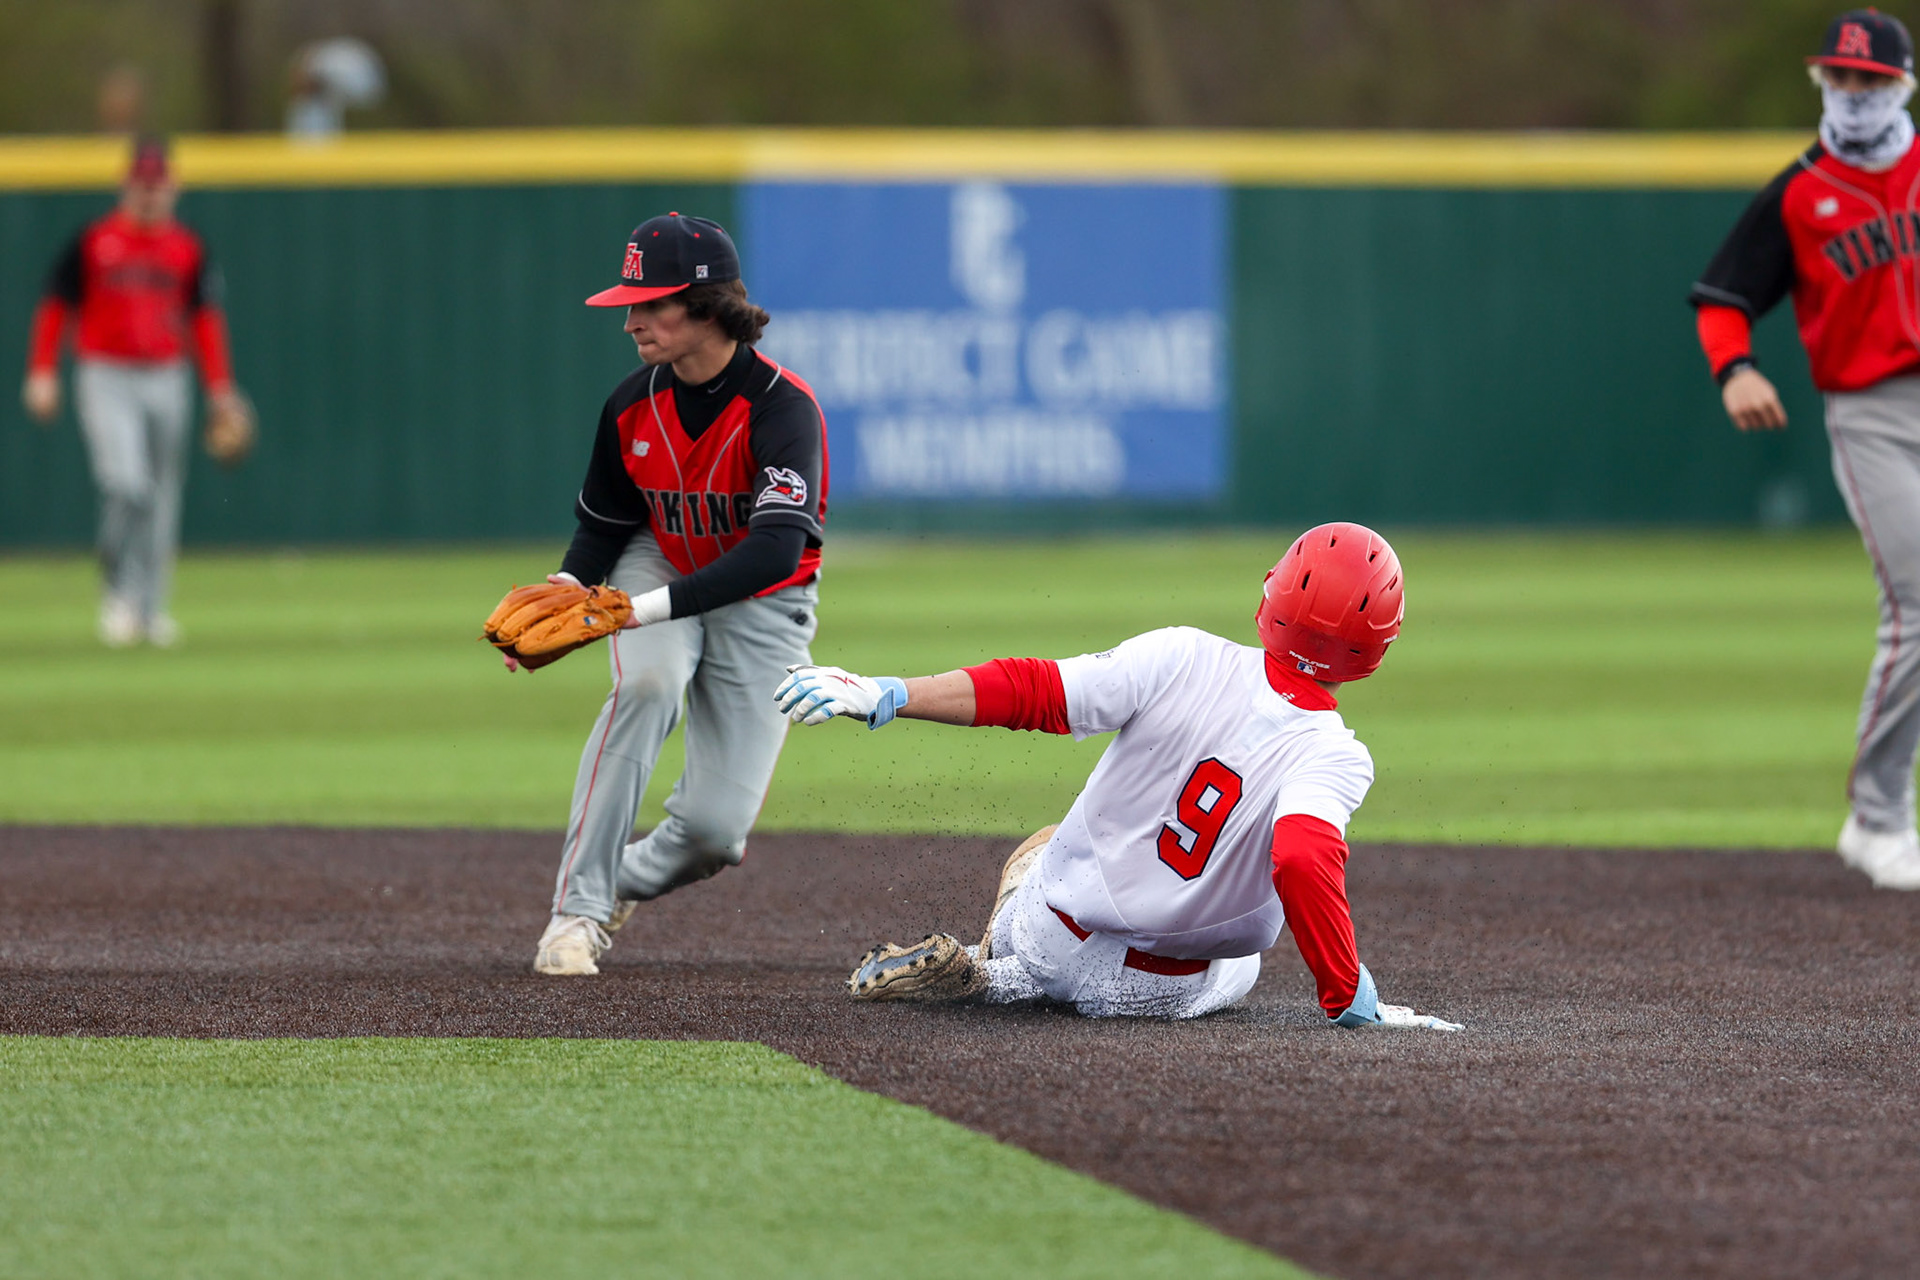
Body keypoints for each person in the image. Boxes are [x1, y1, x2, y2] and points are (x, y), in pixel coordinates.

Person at [774, 523, 1461, 1029]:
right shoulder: (1334, 751)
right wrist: (1350, 997)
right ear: (1374, 648)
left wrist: (891, 690)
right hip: (1152, 988)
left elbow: (1034, 691)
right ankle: (988, 982)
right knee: (1248, 961)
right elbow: (1303, 856)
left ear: (1273, 593)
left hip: (1047, 925)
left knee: (1048, 843)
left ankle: (996, 965)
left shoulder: (1180, 654)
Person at [526, 212, 830, 976]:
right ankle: (577, 913)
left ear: (706, 307)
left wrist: (634, 611)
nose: (631, 321)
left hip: (764, 600)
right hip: (654, 559)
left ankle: (612, 879)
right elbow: (605, 525)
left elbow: (772, 552)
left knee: (714, 835)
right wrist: (568, 589)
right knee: (649, 683)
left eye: (649, 303)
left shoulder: (783, 411)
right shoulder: (630, 403)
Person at [1690, 8, 1920, 891]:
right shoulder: (1801, 191)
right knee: (1914, 604)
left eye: (1871, 80)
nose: (1854, 94)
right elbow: (1722, 295)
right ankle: (1877, 816)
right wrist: (1734, 368)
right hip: (1871, 415)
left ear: (1901, 85)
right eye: (1841, 78)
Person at [21, 135, 243, 647]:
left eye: (158, 183)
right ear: (126, 186)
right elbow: (55, 304)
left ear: (173, 187)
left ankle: (151, 608)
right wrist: (42, 371)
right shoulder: (94, 241)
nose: (150, 193)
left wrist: (221, 388)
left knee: (162, 496)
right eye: (142, 183)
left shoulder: (188, 247)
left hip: (167, 375)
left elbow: (206, 321)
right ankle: (118, 593)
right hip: (106, 374)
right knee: (126, 484)